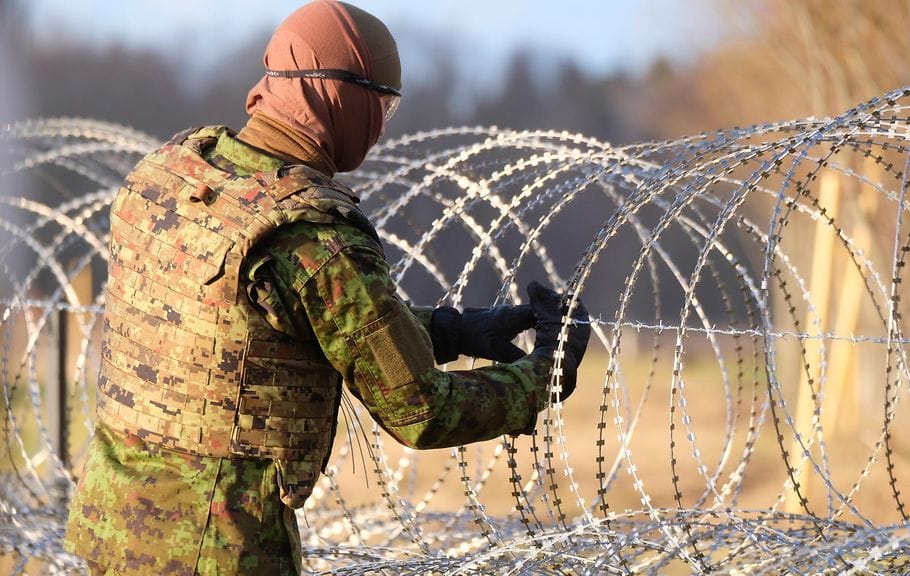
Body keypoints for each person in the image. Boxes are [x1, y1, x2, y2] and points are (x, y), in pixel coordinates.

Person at [62, 1, 590, 574]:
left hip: (109, 526)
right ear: (340, 96)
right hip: (218, 550)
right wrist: (543, 376)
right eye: (382, 105)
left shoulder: (168, 174)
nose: (382, 126)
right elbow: (420, 409)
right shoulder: (311, 233)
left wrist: (452, 331)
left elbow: (265, 323)